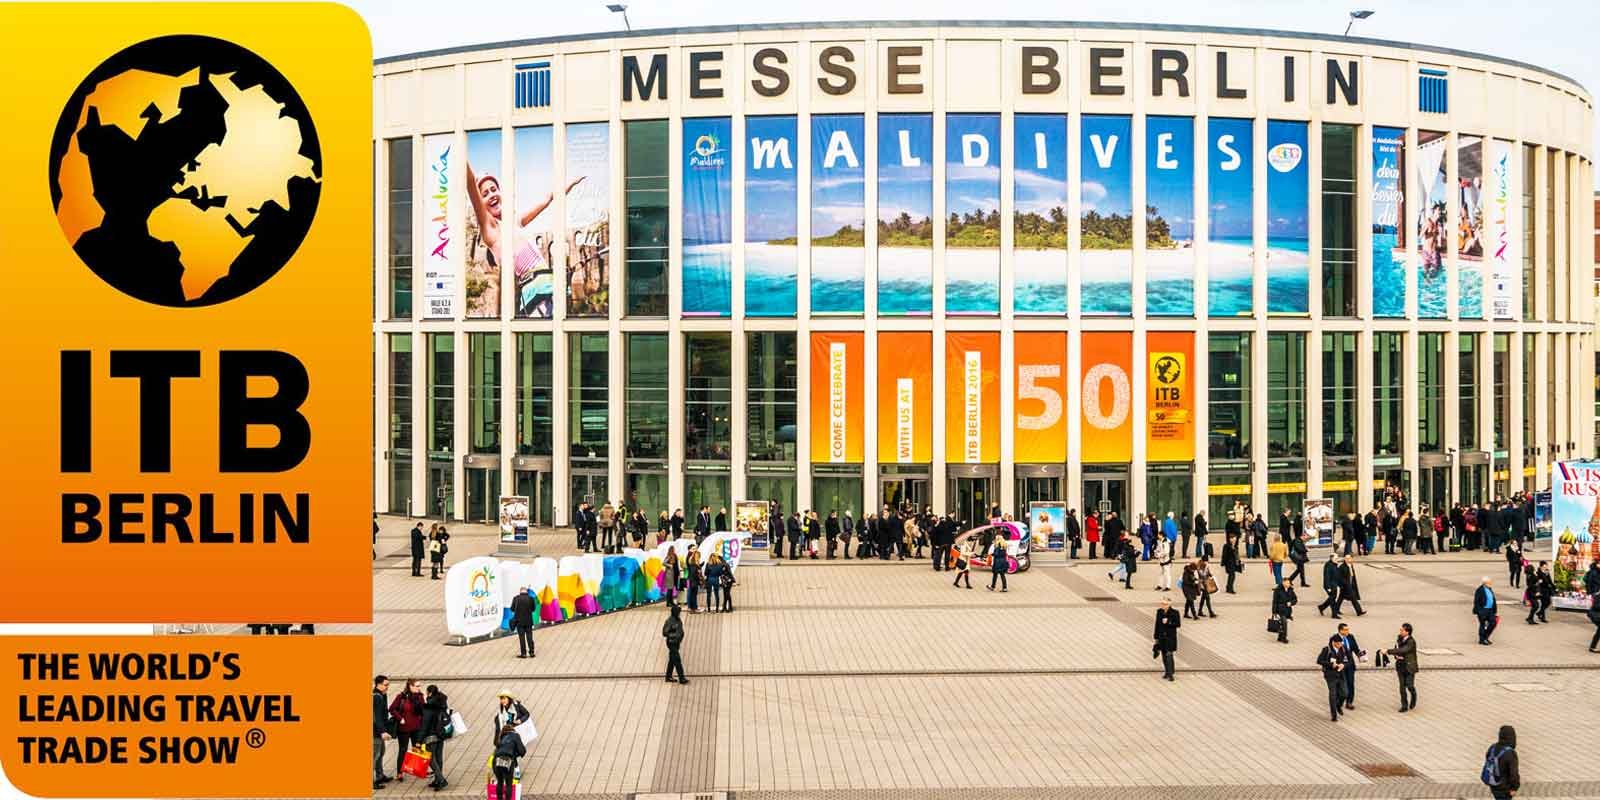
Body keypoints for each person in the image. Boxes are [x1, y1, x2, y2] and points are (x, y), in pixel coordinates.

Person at [387, 678, 424, 781]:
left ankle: (418, 769)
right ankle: (400, 772)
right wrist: (400, 718)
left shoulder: (420, 697)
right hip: (404, 728)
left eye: (419, 686)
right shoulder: (401, 697)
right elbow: (392, 709)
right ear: (410, 686)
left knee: (417, 748)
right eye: (417, 686)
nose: (419, 688)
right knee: (403, 750)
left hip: (416, 727)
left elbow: (423, 711)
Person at [417, 684, 450, 791]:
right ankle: (437, 780)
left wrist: (419, 740)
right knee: (438, 758)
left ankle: (441, 780)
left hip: (431, 736)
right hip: (440, 735)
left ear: (429, 693)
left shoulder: (429, 707)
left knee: (431, 759)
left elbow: (425, 725)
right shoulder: (442, 704)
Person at [1384, 622, 1419, 712]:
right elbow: (1397, 649)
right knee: (1402, 687)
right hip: (1400, 666)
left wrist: (1388, 651)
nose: (1400, 631)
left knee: (1410, 685)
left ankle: (1414, 696)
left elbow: (1403, 650)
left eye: (1402, 630)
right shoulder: (1399, 639)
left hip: (1409, 666)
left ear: (1407, 632)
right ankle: (1404, 705)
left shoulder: (1411, 641)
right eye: (1400, 630)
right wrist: (1395, 656)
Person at [1316, 635, 1349, 722]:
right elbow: (1319, 661)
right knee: (1333, 694)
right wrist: (1331, 665)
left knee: (1344, 693)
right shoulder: (1327, 649)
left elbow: (1347, 661)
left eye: (1341, 643)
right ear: (1333, 643)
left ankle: (1338, 705)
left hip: (1341, 674)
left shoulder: (1343, 649)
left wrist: (1343, 665)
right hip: (1330, 675)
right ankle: (1334, 715)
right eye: (1338, 644)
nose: (1340, 645)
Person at [1484, 725, 1521, 800]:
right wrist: (1514, 788)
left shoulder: (1492, 747)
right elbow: (1514, 774)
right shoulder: (1510, 753)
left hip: (1493, 784)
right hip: (1505, 788)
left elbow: (1488, 759)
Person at [490, 723, 525, 800]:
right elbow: (522, 751)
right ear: (512, 730)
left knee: (500, 782)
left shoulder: (501, 737)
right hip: (507, 759)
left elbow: (497, 748)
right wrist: (514, 755)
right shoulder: (515, 736)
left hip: (496, 760)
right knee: (508, 783)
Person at [1335, 622, 1363, 710]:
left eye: (1348, 629)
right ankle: (1338, 701)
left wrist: (1361, 655)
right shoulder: (1335, 638)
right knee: (1341, 683)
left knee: (1350, 683)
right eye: (1345, 630)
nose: (1347, 631)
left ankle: (1349, 702)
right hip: (1340, 665)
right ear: (1340, 630)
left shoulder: (1350, 637)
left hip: (1350, 664)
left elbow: (1355, 648)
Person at [1153, 596, 1180, 681]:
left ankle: (1170, 674)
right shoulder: (1159, 612)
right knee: (1164, 655)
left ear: (1169, 604)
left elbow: (1178, 624)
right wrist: (1156, 637)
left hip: (1170, 637)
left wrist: (1168, 622)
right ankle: (1167, 671)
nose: (1163, 605)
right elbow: (1157, 624)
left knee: (1169, 655)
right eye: (1162, 604)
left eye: (1165, 604)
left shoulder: (1175, 612)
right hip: (1161, 637)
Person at [373, 675, 392, 790]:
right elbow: (377, 717)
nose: (387, 687)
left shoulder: (381, 695)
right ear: (378, 684)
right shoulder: (376, 697)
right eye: (385, 685)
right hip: (375, 732)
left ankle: (380, 775)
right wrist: (383, 731)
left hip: (379, 731)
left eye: (388, 685)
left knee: (381, 753)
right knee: (374, 756)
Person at [662, 603, 688, 684]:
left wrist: (680, 636)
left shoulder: (678, 619)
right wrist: (674, 635)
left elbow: (680, 630)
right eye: (678, 612)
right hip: (671, 643)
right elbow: (664, 633)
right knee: (677, 660)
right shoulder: (670, 621)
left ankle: (668, 676)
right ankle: (681, 678)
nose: (679, 614)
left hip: (676, 643)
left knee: (672, 660)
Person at [510, 586, 536, 658]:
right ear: (526, 591)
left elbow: (512, 609)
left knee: (521, 638)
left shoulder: (516, 598)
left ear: (520, 591)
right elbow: (533, 609)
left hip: (519, 621)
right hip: (529, 621)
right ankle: (531, 652)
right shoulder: (531, 598)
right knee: (529, 636)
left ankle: (523, 653)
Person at [1474, 577, 1499, 645]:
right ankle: (1482, 640)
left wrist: (1495, 610)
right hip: (1483, 610)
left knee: (1493, 623)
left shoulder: (1489, 589)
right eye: (1489, 583)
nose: (1490, 584)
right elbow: (1476, 601)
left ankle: (1485, 637)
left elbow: (1493, 599)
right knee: (1483, 625)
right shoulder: (1479, 590)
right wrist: (1479, 611)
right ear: (1484, 583)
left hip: (1490, 610)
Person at [1271, 577, 1297, 644]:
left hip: (1288, 611)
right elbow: (1274, 601)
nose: (1288, 584)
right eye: (1287, 583)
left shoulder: (1290, 590)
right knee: (1284, 623)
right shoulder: (1277, 590)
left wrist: (1291, 603)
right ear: (1283, 583)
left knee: (1282, 624)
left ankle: (1279, 637)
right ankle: (1284, 638)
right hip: (1280, 610)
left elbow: (1295, 599)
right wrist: (1274, 612)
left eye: (1289, 583)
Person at [1317, 551, 1343, 618]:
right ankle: (1334, 614)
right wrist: (1328, 587)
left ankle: (1321, 607)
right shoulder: (1328, 565)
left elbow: (1337, 575)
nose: (1337, 559)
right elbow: (1327, 576)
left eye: (1337, 558)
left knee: (1332, 598)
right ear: (1331, 558)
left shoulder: (1334, 564)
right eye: (1336, 558)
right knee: (1332, 600)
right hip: (1330, 585)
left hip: (1334, 584)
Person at [684, 549, 702, 613]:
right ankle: (693, 608)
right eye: (699, 557)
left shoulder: (692, 564)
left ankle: (692, 607)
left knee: (692, 594)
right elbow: (694, 574)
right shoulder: (694, 565)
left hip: (691, 580)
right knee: (693, 595)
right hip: (693, 581)